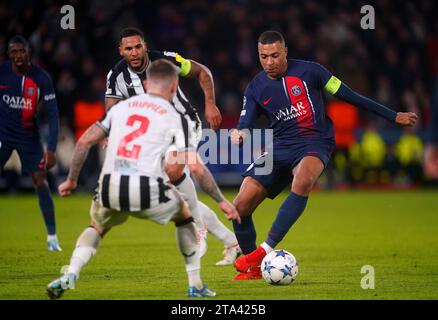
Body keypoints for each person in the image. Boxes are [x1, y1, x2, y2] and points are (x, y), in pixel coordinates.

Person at [230, 30, 418, 280]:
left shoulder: (312, 72)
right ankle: (253, 268)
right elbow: (246, 120)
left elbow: (350, 96)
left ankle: (262, 251)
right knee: (240, 206)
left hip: (315, 141)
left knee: (304, 179)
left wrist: (392, 115)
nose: (269, 62)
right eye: (263, 57)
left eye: (275, 55)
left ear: (285, 51)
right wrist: (240, 133)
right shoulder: (255, 87)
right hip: (280, 147)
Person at [46, 59, 238, 299]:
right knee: (185, 215)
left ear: (146, 85)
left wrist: (71, 180)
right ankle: (195, 284)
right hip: (146, 188)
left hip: (108, 186)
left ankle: (71, 273)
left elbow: (84, 142)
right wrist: (222, 201)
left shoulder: (119, 108)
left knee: (97, 226)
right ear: (173, 85)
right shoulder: (177, 117)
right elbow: (197, 169)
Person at [105, 27, 241, 265]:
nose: (134, 52)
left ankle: (199, 230)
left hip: (184, 123)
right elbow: (112, 109)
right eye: (129, 48)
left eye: (138, 46)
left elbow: (203, 72)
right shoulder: (116, 76)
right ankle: (232, 242)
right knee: (176, 197)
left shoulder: (166, 60)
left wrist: (210, 104)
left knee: (174, 169)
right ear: (121, 51)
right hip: (155, 136)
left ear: (145, 45)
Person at [0, 36, 62, 251]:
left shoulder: (41, 78)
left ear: (29, 52)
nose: (18, 56)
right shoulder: (2, 72)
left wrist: (51, 148)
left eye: (21, 51)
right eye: (13, 52)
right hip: (3, 135)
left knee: (40, 180)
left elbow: (54, 115)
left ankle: (52, 237)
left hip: (30, 137)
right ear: (9, 54)